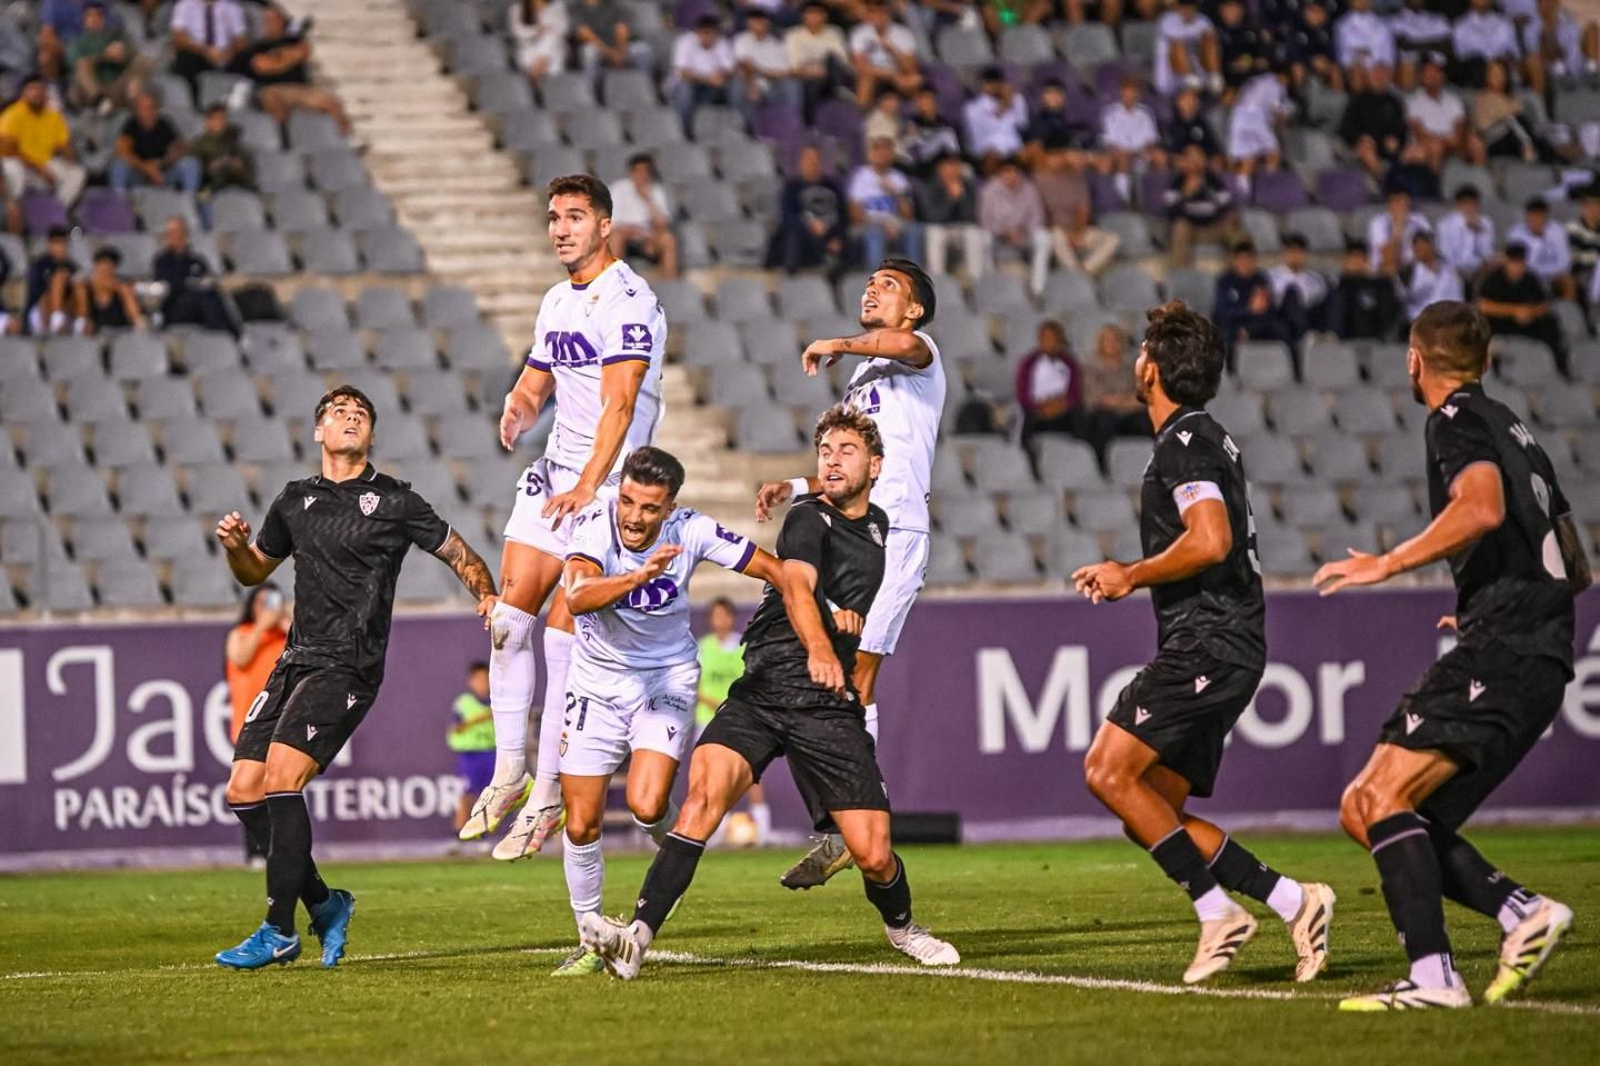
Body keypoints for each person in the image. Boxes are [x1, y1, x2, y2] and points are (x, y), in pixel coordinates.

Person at [582, 407, 961, 978]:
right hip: (765, 688)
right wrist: (819, 639)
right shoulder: (808, 520)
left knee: (875, 854)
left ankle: (903, 928)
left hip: (827, 706)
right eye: (825, 451)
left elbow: (853, 531)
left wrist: (837, 627)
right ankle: (637, 937)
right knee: (703, 801)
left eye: (846, 451)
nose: (832, 460)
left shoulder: (881, 525)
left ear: (875, 464)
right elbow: (799, 585)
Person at [1314, 301, 1586, 1010]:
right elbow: (1573, 561)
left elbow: (1482, 507)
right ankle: (1516, 912)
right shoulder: (1516, 429)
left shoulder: (1456, 420)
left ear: (1414, 358)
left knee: (1378, 798)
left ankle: (1435, 976)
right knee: (1370, 809)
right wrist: (1486, 598)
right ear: (1485, 361)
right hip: (1530, 644)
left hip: (1508, 647)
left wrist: (1390, 562)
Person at [1073, 301, 1335, 987]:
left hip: (1210, 643)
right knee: (1150, 809)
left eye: (1140, 350)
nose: (1135, 359)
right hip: (1228, 643)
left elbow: (1211, 538)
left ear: (1151, 370)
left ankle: (1217, 912)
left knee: (1107, 770)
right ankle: (1294, 901)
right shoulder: (1204, 437)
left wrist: (1130, 572)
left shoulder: (1185, 443)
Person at [213, 385, 500, 969]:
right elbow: (252, 574)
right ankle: (324, 903)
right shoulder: (294, 501)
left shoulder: (394, 500)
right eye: (338, 413)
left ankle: (278, 929)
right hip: (295, 658)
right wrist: (237, 549)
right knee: (243, 790)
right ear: (319, 431)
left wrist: (489, 596)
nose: (349, 419)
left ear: (370, 434)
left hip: (350, 663)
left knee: (281, 779)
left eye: (360, 414)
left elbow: (457, 551)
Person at [467, 174, 668, 862]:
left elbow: (620, 403)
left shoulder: (630, 300)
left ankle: (549, 796)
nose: (560, 229)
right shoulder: (557, 299)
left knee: (561, 637)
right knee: (506, 624)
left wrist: (590, 485)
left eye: (575, 217)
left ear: (604, 226)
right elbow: (536, 378)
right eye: (554, 217)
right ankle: (509, 775)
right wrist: (518, 407)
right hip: (555, 475)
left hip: (607, 486)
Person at [550, 447, 786, 975]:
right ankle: (592, 937)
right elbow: (577, 598)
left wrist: (814, 612)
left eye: (649, 508)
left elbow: (772, 568)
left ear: (671, 507)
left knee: (648, 803)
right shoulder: (594, 519)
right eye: (628, 502)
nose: (633, 517)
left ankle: (673, 863)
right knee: (583, 823)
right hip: (595, 685)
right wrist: (637, 577)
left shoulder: (693, 529)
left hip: (665, 678)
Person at [753, 260, 945, 890]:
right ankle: (842, 819)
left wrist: (835, 340)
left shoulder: (920, 353)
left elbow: (900, 344)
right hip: (851, 532)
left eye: (889, 285)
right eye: (870, 281)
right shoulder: (864, 377)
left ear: (914, 309)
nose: (872, 288)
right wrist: (800, 483)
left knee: (858, 671)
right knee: (825, 679)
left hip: (895, 535)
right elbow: (856, 467)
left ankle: (861, 815)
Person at [695, 597, 770, 845]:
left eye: (724, 615)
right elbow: (694, 685)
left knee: (748, 775)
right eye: (715, 615)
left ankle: (763, 828)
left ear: (731, 617)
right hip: (708, 720)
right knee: (711, 779)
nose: (720, 620)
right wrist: (714, 704)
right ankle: (714, 831)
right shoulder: (702, 648)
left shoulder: (741, 646)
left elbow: (750, 681)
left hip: (739, 718)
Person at [225, 582, 289, 865]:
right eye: (262, 602)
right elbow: (241, 657)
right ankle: (256, 851)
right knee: (250, 788)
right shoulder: (241, 634)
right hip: (250, 723)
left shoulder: (284, 634)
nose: (267, 608)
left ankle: (282, 849)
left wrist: (286, 623)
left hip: (284, 721)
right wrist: (262, 627)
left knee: (281, 788)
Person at [230, 6, 353, 134]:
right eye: (268, 20)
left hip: (300, 88)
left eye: (275, 19)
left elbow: (303, 52)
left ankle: (345, 137)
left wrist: (278, 59)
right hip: (274, 88)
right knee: (272, 99)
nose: (272, 23)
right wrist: (287, 58)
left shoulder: (295, 40)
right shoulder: (258, 46)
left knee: (331, 102)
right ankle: (283, 138)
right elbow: (262, 65)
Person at [1477, 242, 1567, 375]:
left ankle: (1559, 367)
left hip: (1527, 322)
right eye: (1514, 262)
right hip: (1503, 322)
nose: (1517, 266)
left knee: (1550, 324)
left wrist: (1531, 312)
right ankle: (1497, 374)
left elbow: (1545, 304)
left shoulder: (1531, 279)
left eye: (1520, 262)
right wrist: (1514, 311)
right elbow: (1483, 305)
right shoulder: (1494, 279)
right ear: (1507, 262)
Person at [0, 74, 87, 208]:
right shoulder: (12, 114)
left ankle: (55, 211)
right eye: (32, 89)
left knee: (77, 173)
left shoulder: (53, 115)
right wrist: (39, 168)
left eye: (41, 89)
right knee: (14, 169)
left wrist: (70, 159)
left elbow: (65, 146)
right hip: (20, 164)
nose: (37, 93)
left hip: (44, 163)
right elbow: (8, 149)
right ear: (23, 93)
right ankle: (16, 210)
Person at [1036, 147, 1119, 278]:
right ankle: (1074, 273)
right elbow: (1042, 213)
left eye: (1058, 157)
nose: (1055, 161)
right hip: (1055, 230)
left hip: (1076, 229)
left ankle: (1084, 271)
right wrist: (1062, 231)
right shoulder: (1040, 179)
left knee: (1112, 239)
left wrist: (1077, 233)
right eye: (1051, 158)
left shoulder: (1076, 178)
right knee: (1056, 236)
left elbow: (1083, 209)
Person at [770, 143, 846, 275]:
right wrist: (811, 225)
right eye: (809, 160)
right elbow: (787, 217)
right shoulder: (791, 188)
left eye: (816, 160)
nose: (813, 163)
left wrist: (839, 237)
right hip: (804, 236)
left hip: (829, 235)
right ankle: (791, 276)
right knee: (793, 234)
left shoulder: (833, 187)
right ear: (801, 163)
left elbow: (843, 216)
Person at [977, 157, 1050, 296]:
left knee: (1043, 237)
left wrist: (1022, 231)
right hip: (999, 237)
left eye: (1014, 172)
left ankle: (1037, 288)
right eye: (1006, 172)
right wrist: (1004, 232)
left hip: (1022, 235)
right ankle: (990, 279)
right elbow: (985, 221)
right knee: (983, 237)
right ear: (1000, 173)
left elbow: (1037, 217)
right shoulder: (990, 190)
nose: (1011, 175)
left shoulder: (1029, 189)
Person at [153, 216, 236, 334]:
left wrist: (204, 283)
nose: (174, 236)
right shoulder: (162, 261)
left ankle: (227, 332)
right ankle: (227, 333)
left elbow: (206, 278)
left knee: (213, 294)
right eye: (170, 233)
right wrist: (191, 283)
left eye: (178, 232)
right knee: (205, 297)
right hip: (176, 306)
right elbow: (167, 286)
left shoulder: (196, 259)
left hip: (199, 305)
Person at [847, 136, 922, 267]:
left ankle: (914, 280)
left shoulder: (898, 178)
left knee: (914, 230)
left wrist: (895, 193)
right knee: (875, 234)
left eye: (887, 152)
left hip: (896, 225)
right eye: (879, 151)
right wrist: (882, 225)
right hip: (868, 225)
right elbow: (855, 214)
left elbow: (909, 215)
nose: (883, 155)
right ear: (872, 154)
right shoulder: (861, 176)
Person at [1081, 322, 1148, 462]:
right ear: (1101, 343)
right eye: (1109, 340)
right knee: (1105, 423)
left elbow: (1142, 394)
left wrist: (1127, 402)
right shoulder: (1091, 366)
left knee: (1146, 421)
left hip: (1129, 411)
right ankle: (1103, 466)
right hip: (1101, 412)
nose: (1113, 343)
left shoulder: (1132, 365)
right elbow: (1100, 398)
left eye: (1117, 339)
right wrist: (1125, 401)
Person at [110, 91, 200, 195]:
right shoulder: (131, 125)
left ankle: (189, 201)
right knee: (118, 165)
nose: (146, 111)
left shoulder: (165, 124)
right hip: (139, 175)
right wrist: (146, 168)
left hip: (163, 174)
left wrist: (162, 164)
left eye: (150, 107)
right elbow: (122, 150)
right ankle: (118, 202)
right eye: (141, 108)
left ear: (156, 109)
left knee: (190, 163)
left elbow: (178, 147)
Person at [67, 1, 149, 110]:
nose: (94, 19)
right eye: (90, 15)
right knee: (82, 64)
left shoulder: (116, 35)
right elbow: (74, 62)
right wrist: (104, 57)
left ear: (104, 19)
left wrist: (122, 55)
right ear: (84, 20)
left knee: (143, 61)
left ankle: (134, 103)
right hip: (91, 91)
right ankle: (100, 102)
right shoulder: (77, 42)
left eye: (98, 15)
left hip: (117, 87)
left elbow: (131, 54)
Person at [608, 153, 679, 278]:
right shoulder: (619, 189)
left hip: (648, 238)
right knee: (617, 236)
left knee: (668, 240)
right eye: (638, 171)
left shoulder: (656, 191)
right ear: (631, 172)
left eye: (646, 171)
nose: (642, 175)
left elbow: (662, 224)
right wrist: (634, 231)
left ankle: (670, 283)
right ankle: (612, 281)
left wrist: (648, 200)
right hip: (624, 235)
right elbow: (612, 223)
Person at [1014, 319, 1082, 448]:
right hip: (1036, 409)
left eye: (1054, 338)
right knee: (1027, 418)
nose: (1050, 343)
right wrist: (1040, 407)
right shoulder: (1028, 363)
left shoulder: (1070, 363)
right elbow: (1022, 394)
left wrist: (1059, 405)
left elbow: (1075, 393)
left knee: (1079, 416)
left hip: (1062, 408)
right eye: (1046, 338)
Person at [1164, 143, 1234, 267]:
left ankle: (1234, 274)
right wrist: (1186, 194)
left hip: (1213, 227)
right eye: (1192, 158)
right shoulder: (1177, 182)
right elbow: (1170, 210)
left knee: (1232, 223)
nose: (1196, 162)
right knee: (1180, 226)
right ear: (1184, 161)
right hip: (1192, 230)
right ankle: (1178, 277)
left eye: (1199, 158)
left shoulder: (1212, 180)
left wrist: (1211, 205)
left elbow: (1226, 204)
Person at [919, 151, 984, 280]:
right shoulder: (930, 186)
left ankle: (976, 281)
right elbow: (932, 217)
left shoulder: (968, 185)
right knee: (935, 233)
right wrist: (951, 199)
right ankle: (937, 280)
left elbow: (971, 217)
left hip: (959, 231)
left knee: (974, 233)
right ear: (940, 168)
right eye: (950, 165)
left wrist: (962, 197)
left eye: (957, 165)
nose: (954, 169)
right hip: (939, 229)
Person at [448, 662, 496, 837]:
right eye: (478, 679)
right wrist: (480, 718)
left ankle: (482, 835)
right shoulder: (464, 703)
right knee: (466, 795)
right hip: (471, 755)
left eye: (485, 679)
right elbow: (456, 728)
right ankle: (458, 835)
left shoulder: (500, 700)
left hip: (493, 753)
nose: (483, 683)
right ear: (471, 682)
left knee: (490, 797)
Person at [1339, 61, 1407, 181]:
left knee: (1418, 152)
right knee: (1366, 149)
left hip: (1388, 146)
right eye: (1375, 74)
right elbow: (1346, 128)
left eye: (1382, 75)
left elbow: (1401, 128)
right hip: (1364, 145)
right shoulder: (1357, 100)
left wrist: (1397, 139)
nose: (1379, 78)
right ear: (1368, 77)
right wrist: (1361, 137)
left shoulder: (1395, 102)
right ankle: (1386, 183)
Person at [670, 14, 736, 135]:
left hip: (710, 88)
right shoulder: (685, 41)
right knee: (685, 90)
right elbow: (683, 73)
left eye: (713, 34)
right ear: (697, 32)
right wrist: (708, 79)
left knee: (735, 87)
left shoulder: (722, 43)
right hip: (684, 86)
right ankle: (685, 132)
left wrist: (721, 75)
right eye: (705, 33)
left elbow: (729, 69)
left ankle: (739, 131)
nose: (709, 37)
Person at [849, 0, 923, 106]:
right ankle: (861, 114)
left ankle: (919, 116)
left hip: (898, 70)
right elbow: (861, 66)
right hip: (875, 72)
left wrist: (893, 52)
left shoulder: (903, 33)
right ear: (870, 15)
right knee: (865, 79)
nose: (879, 16)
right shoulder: (859, 32)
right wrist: (892, 75)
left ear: (889, 14)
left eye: (883, 12)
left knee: (915, 79)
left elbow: (910, 66)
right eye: (875, 12)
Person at [786, 1, 850, 122]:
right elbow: (794, 66)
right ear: (803, 16)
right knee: (813, 84)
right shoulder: (794, 35)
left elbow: (842, 60)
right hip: (806, 77)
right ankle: (810, 123)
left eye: (817, 14)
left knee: (832, 59)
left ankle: (838, 90)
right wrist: (815, 70)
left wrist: (823, 69)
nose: (813, 17)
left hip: (831, 74)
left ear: (825, 16)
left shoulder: (834, 32)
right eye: (809, 14)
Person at [1327, 240, 1404, 341]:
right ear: (1345, 260)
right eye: (1352, 258)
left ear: (1366, 261)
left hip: (1375, 342)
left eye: (1359, 258)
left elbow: (1390, 312)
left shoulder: (1379, 286)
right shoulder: (1336, 286)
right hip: (1344, 343)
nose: (1355, 262)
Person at [733, 8, 800, 119]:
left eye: (761, 21)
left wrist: (762, 71)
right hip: (749, 80)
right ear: (748, 23)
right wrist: (752, 85)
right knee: (741, 84)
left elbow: (783, 71)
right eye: (754, 21)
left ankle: (792, 120)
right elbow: (745, 65)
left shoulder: (776, 43)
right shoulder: (741, 40)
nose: (758, 24)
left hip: (773, 82)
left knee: (792, 84)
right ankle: (749, 127)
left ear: (767, 23)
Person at [169, 0, 248, 94]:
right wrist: (205, 51)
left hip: (226, 54)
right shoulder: (184, 5)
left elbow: (241, 39)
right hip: (197, 53)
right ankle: (193, 100)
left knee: (247, 58)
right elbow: (178, 38)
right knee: (184, 58)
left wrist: (227, 53)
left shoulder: (232, 6)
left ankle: (236, 100)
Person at [1506, 197, 1573, 300]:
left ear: (1546, 217)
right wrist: (1536, 241)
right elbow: (1520, 264)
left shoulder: (1558, 230)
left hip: (1554, 275)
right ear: (1527, 216)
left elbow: (1564, 263)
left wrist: (1549, 273)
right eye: (1533, 216)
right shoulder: (1516, 233)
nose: (1537, 220)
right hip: (1528, 275)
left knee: (1568, 280)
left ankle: (1569, 309)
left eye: (1541, 216)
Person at [961, 66, 1027, 168]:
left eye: (997, 82)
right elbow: (979, 138)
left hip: (1014, 147)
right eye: (989, 83)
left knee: (1033, 153)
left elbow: (1022, 125)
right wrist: (1003, 106)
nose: (994, 86)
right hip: (988, 149)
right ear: (983, 85)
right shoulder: (973, 108)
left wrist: (1010, 101)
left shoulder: (1017, 99)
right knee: (991, 158)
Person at [25, 225, 85, 337]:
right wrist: (54, 282)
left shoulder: (72, 267)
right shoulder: (39, 265)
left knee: (79, 284)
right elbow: (35, 295)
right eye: (56, 243)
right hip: (40, 310)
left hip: (65, 308)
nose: (60, 247)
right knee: (58, 279)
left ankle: (80, 325)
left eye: (63, 243)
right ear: (49, 244)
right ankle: (56, 323)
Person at [1153, 0, 1220, 97]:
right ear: (1177, 7)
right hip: (1170, 80)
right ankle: (1188, 77)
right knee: (1178, 43)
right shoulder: (1167, 20)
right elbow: (1178, 39)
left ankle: (1215, 76)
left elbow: (1210, 38)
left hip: (1199, 77)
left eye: (1190, 6)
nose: (1187, 10)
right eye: (1184, 6)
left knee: (1209, 38)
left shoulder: (1203, 21)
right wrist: (1197, 36)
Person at [1268, 232, 1329, 337]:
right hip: (1282, 319)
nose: (1295, 256)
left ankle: (1331, 334)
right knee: (1291, 293)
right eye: (1292, 251)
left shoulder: (1316, 279)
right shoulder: (1271, 277)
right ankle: (1303, 333)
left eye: (1299, 252)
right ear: (1285, 253)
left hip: (1309, 317)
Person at [190, 103, 255, 194]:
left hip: (235, 183)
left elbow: (245, 166)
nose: (220, 122)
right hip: (210, 186)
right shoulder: (199, 143)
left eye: (223, 118)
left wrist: (239, 167)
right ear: (208, 121)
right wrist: (209, 168)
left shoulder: (233, 140)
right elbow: (194, 169)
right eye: (216, 118)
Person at [1435, 184, 1496, 281]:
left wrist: (1478, 232)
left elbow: (1488, 252)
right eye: (1466, 204)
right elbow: (1445, 254)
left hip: (1479, 268)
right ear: (1457, 204)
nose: (1470, 208)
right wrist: (1463, 227)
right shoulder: (1444, 224)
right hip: (1454, 268)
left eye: (1473, 204)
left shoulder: (1486, 222)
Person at [1402, 231, 1464, 320]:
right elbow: (1406, 304)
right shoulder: (1409, 273)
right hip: (1421, 321)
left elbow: (1457, 297)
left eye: (1421, 246)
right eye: (1415, 248)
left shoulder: (1449, 270)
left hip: (1449, 319)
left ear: (1431, 246)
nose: (1417, 251)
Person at [1368, 187, 1431, 274]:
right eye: (1397, 202)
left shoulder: (1420, 220)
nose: (1401, 207)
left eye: (1404, 203)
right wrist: (1398, 228)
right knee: (1391, 265)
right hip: (1384, 268)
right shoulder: (1378, 222)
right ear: (1389, 205)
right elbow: (1388, 255)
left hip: (1413, 267)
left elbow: (1427, 248)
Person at [84, 247, 144, 333]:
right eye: (102, 264)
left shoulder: (123, 289)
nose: (106, 269)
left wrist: (119, 288)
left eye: (111, 265)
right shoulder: (85, 289)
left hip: (121, 333)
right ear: (95, 267)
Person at [509, 0, 569, 83]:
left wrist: (546, 30)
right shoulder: (517, 8)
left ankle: (535, 74)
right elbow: (518, 31)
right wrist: (537, 30)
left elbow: (564, 28)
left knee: (550, 37)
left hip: (554, 48)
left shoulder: (557, 6)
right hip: (529, 46)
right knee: (549, 37)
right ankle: (538, 70)